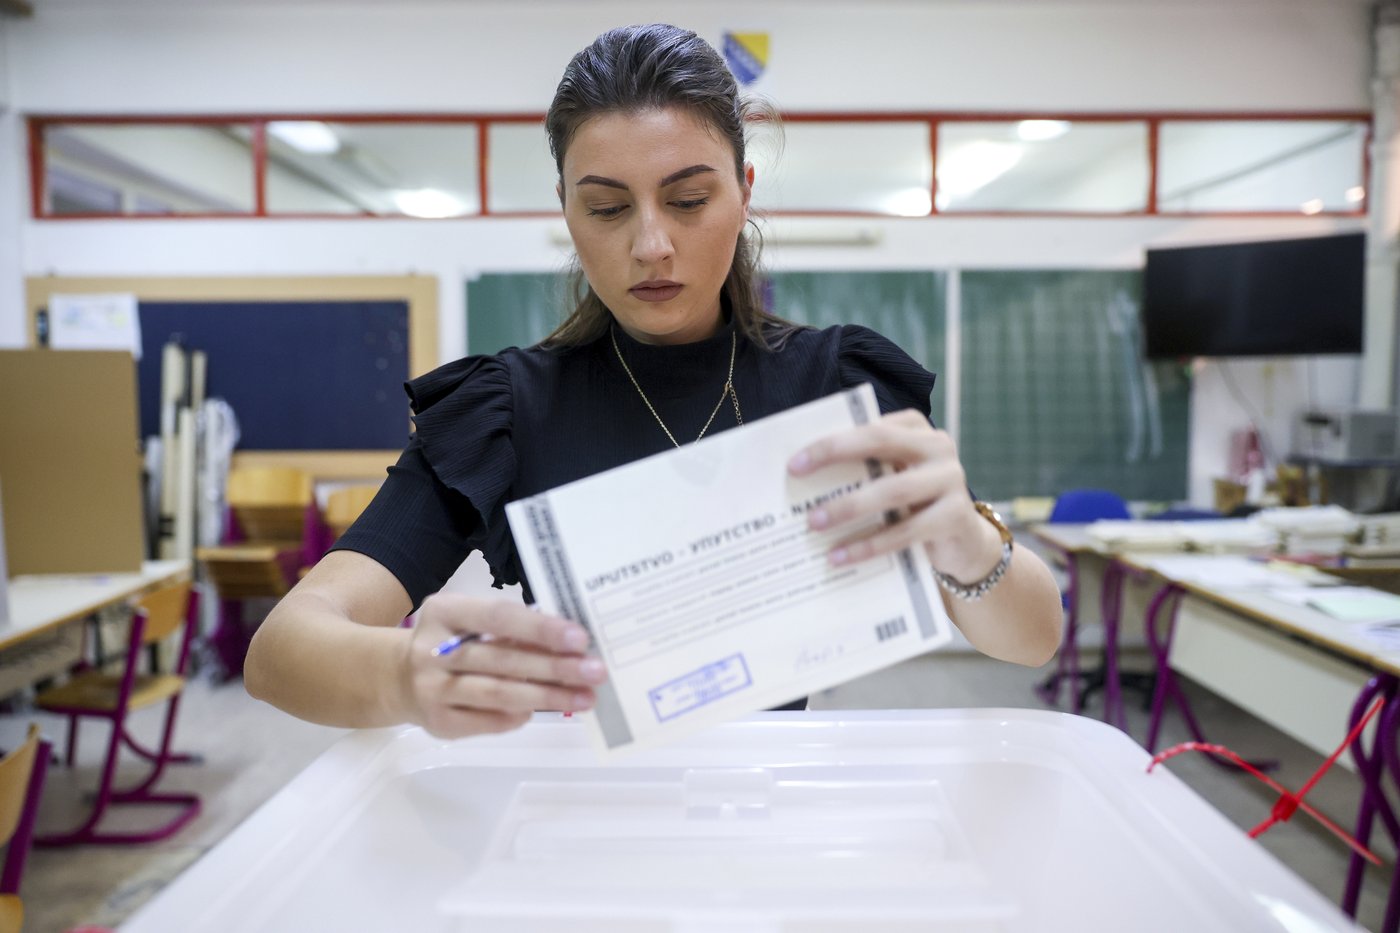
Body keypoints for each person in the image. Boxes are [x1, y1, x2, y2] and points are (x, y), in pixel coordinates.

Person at [245, 23, 1063, 739]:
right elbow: (281, 650)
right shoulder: (506, 412)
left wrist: (964, 536)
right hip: (587, 819)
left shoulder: (834, 389)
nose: (652, 245)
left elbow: (1032, 638)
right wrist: (407, 673)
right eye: (607, 208)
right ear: (566, 208)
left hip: (773, 815)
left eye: (689, 199)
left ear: (743, 192)